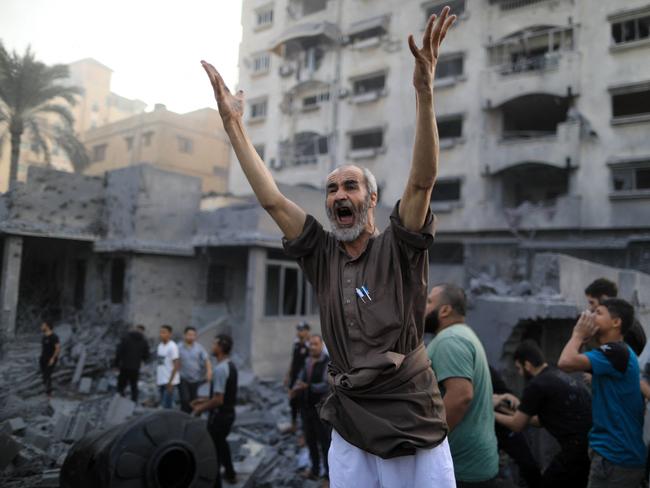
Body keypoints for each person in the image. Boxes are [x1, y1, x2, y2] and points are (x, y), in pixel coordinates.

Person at [201, 7, 457, 487]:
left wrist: (424, 91)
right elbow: (273, 199)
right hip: (350, 424)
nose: (339, 194)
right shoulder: (323, 254)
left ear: (372, 200)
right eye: (332, 189)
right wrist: (235, 128)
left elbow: (422, 180)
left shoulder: (400, 248)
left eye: (351, 187)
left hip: (412, 424)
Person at [558, 299, 646, 487]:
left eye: (598, 312)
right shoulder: (615, 353)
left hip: (615, 457)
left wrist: (577, 334)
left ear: (616, 322)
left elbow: (565, 362)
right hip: (617, 457)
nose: (590, 316)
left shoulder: (616, 351)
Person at [425, 283, 500, 487]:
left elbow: (461, 396)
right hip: (473, 465)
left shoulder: (450, 340)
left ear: (445, 310)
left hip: (462, 470)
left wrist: (429, 442)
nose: (422, 306)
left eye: (429, 301)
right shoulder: (462, 334)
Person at [494, 340, 592, 488]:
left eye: (519, 368)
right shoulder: (556, 374)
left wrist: (489, 413)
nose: (520, 373)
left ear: (527, 365)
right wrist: (511, 410)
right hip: (588, 447)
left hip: (575, 450)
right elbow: (539, 421)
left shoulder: (536, 385)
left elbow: (516, 425)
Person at [192, 334, 238, 486]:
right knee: (221, 443)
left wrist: (200, 409)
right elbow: (224, 396)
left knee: (213, 454)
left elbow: (218, 400)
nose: (212, 346)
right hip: (228, 414)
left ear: (221, 347)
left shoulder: (219, 370)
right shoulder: (230, 365)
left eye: (214, 344)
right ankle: (231, 474)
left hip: (219, 418)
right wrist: (203, 400)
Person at [489, 366, 541, 488]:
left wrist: (497, 402)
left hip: (503, 426)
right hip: (488, 429)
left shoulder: (487, 370)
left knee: (528, 465)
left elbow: (508, 397)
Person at [290, 334, 331, 480]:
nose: (312, 347)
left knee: (324, 443)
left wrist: (308, 386)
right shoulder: (307, 361)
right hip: (306, 409)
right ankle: (314, 470)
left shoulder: (327, 362)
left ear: (321, 345)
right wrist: (295, 388)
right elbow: (300, 378)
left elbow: (326, 385)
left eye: (315, 344)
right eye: (311, 344)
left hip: (320, 410)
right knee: (310, 441)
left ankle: (328, 476)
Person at [585, 278, 646, 356]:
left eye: (592, 302)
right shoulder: (626, 322)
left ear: (604, 299)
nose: (590, 309)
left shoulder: (625, 329)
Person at [178, 326, 212, 413]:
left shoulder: (199, 348)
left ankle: (192, 418)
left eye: (193, 335)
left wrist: (209, 371)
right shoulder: (179, 347)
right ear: (184, 335)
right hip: (183, 378)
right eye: (189, 334)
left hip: (196, 379)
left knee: (194, 400)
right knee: (185, 399)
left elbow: (206, 360)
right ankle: (183, 416)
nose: (191, 337)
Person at [284, 322, 311, 432]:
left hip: (303, 380)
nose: (299, 332)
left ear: (307, 331)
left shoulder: (310, 346)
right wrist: (287, 376)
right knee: (293, 403)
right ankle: (293, 425)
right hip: (294, 378)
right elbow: (293, 361)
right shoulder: (296, 344)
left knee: (303, 405)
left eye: (301, 329)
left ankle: (304, 433)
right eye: (298, 329)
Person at [115, 324, 150, 403]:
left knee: (121, 384)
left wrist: (116, 363)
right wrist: (142, 360)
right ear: (143, 331)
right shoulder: (144, 342)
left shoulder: (126, 338)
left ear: (135, 329)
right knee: (133, 385)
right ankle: (133, 402)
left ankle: (118, 400)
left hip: (124, 366)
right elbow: (146, 355)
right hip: (135, 367)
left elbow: (119, 352)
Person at [156, 324, 180, 409]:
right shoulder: (160, 346)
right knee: (164, 405)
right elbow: (161, 364)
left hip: (169, 381)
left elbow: (176, 364)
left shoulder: (172, 346)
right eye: (161, 332)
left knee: (167, 407)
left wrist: (170, 382)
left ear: (170, 334)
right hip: (161, 380)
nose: (161, 334)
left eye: (164, 332)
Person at [40, 321, 60, 399]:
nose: (41, 327)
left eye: (43, 325)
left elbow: (58, 349)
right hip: (43, 358)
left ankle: (49, 394)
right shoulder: (44, 336)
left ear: (47, 327)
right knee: (44, 376)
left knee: (47, 375)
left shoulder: (54, 337)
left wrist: (53, 358)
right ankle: (46, 391)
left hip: (51, 359)